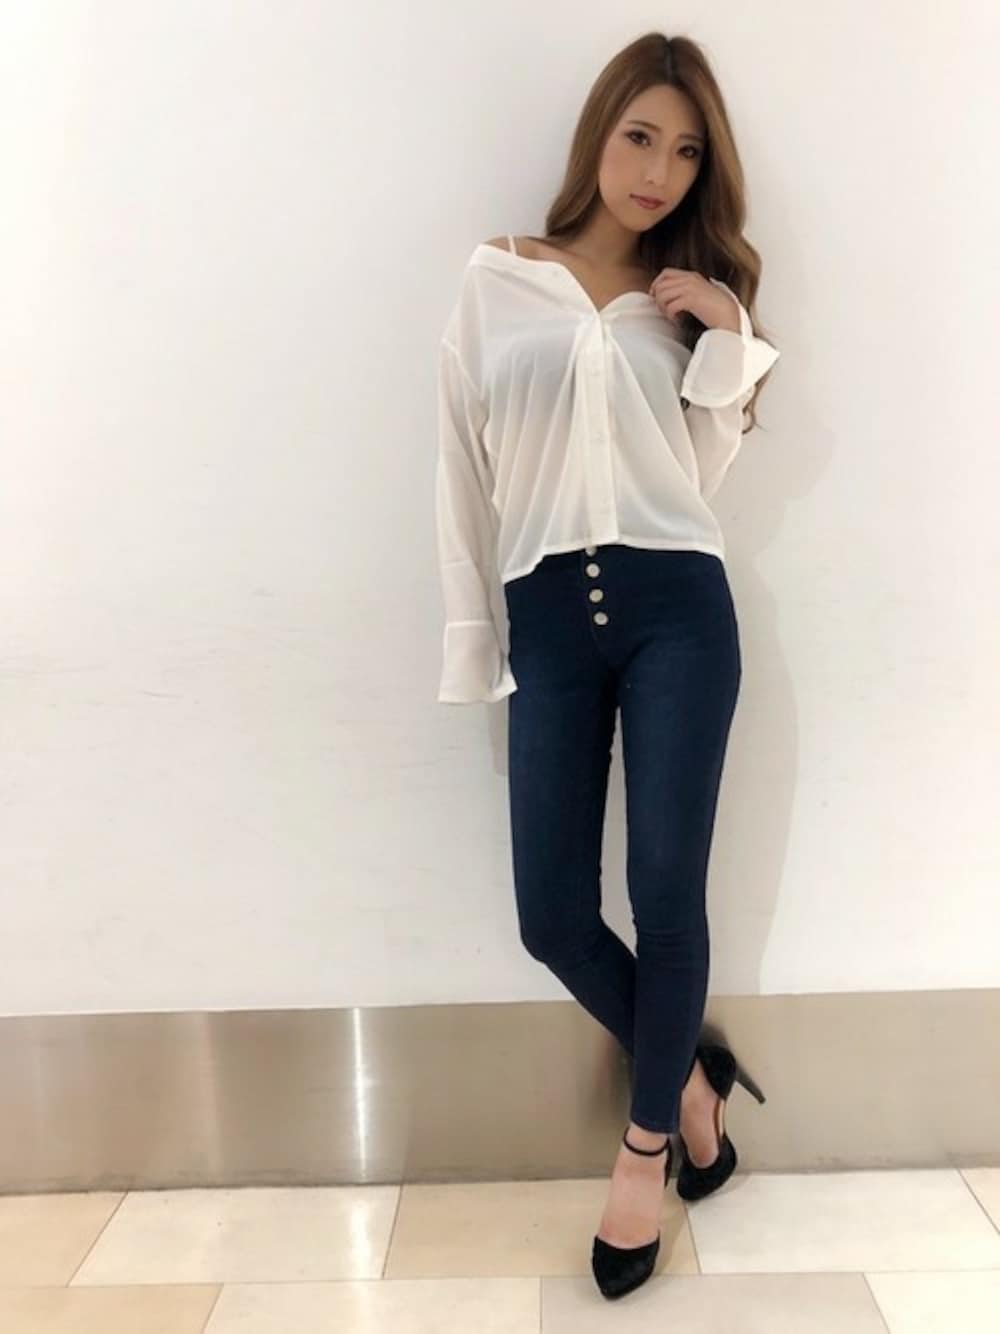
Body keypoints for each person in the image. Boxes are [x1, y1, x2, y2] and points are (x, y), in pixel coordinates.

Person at [434, 31, 772, 1300]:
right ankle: (687, 1083)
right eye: (640, 137)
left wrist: (729, 336)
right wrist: (473, 637)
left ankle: (643, 1156)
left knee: (666, 891)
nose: (657, 172)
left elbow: (702, 473)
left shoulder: (681, 299)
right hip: (546, 614)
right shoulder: (496, 278)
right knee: (552, 915)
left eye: (684, 153)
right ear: (598, 134)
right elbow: (458, 471)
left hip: (678, 603)